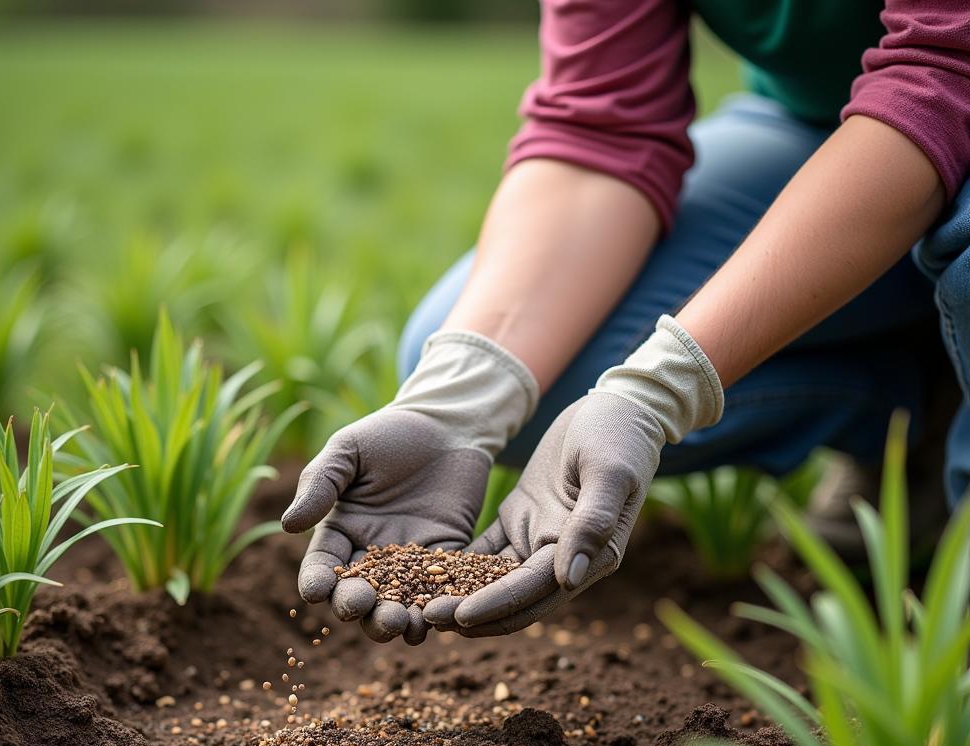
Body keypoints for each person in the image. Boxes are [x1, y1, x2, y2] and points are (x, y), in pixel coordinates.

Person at [282, 0, 970, 645]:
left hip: (944, 91)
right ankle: (920, 416)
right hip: (823, 124)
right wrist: (459, 400)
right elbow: (600, 121)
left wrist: (659, 387)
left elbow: (943, 73)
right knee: (514, 367)